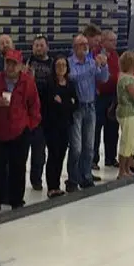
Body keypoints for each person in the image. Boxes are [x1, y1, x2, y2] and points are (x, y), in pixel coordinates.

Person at [0, 50, 41, 214]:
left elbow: (34, 105)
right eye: (8, 63)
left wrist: (30, 125)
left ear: (20, 65)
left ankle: (16, 199)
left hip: (20, 131)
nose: (11, 66)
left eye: (14, 63)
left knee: (18, 167)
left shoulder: (27, 82)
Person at [67, 34, 110, 191]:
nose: (85, 46)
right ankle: (72, 178)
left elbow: (103, 78)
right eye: (81, 44)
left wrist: (104, 65)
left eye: (86, 43)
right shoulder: (70, 63)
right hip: (76, 108)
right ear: (74, 47)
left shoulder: (92, 61)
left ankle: (86, 176)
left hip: (90, 106)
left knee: (89, 145)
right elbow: (73, 77)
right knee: (76, 147)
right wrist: (91, 68)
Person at [43, 57, 78, 197]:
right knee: (53, 154)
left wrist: (62, 103)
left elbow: (75, 104)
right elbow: (50, 104)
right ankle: (52, 186)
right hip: (52, 125)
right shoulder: (49, 84)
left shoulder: (70, 84)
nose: (61, 68)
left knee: (61, 155)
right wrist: (67, 103)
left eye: (64, 65)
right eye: (58, 65)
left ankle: (57, 184)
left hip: (65, 124)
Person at [27, 36, 54, 190]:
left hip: (47, 112)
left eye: (41, 45)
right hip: (31, 112)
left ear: (47, 47)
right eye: (36, 45)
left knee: (41, 150)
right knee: (32, 147)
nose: (38, 48)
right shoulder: (27, 63)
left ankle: (38, 178)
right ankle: (33, 177)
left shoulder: (53, 64)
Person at [92, 29, 122, 171]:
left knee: (113, 128)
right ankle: (93, 159)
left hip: (113, 95)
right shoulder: (96, 54)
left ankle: (111, 157)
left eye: (115, 40)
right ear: (103, 41)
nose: (115, 43)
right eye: (111, 40)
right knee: (97, 128)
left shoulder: (115, 55)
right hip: (100, 96)